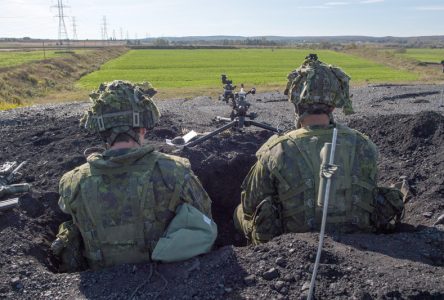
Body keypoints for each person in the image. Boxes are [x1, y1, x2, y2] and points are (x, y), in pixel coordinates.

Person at [234, 55, 405, 245]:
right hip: (363, 239)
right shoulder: (364, 145)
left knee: (239, 213)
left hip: (295, 245)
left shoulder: (277, 149)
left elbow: (250, 206)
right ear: (333, 104)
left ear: (297, 103)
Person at [51, 80, 216, 271]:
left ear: (101, 132)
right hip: (166, 279)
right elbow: (205, 220)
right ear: (143, 129)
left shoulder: (72, 181)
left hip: (100, 281)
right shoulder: (176, 171)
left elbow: (71, 216)